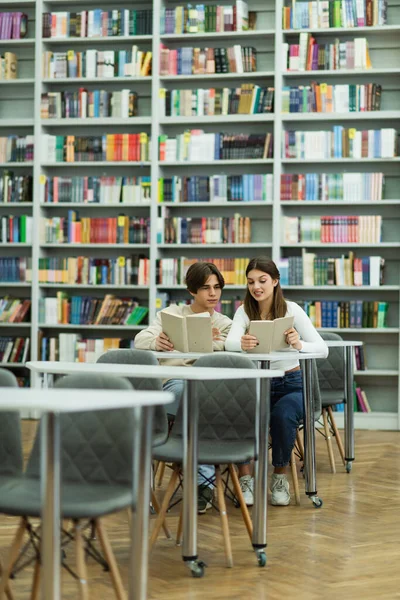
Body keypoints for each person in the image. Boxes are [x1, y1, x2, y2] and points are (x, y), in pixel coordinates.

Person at [225, 256, 328, 506]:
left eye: (262, 281)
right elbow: (229, 342)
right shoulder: (244, 311)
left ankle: (279, 476)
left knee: (283, 415)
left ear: (275, 281)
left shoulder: (292, 309)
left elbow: (322, 348)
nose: (256, 287)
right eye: (251, 282)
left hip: (290, 383)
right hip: (255, 384)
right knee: (239, 413)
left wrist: (299, 344)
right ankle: (246, 479)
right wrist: (241, 344)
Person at [134, 261, 232, 513]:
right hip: (175, 384)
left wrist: (208, 344)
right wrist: (157, 342)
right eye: (205, 288)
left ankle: (199, 477)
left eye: (217, 287)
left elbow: (231, 347)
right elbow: (140, 339)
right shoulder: (172, 314)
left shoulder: (224, 323)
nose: (213, 294)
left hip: (207, 388)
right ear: (192, 291)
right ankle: (204, 481)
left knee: (196, 401)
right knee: (182, 400)